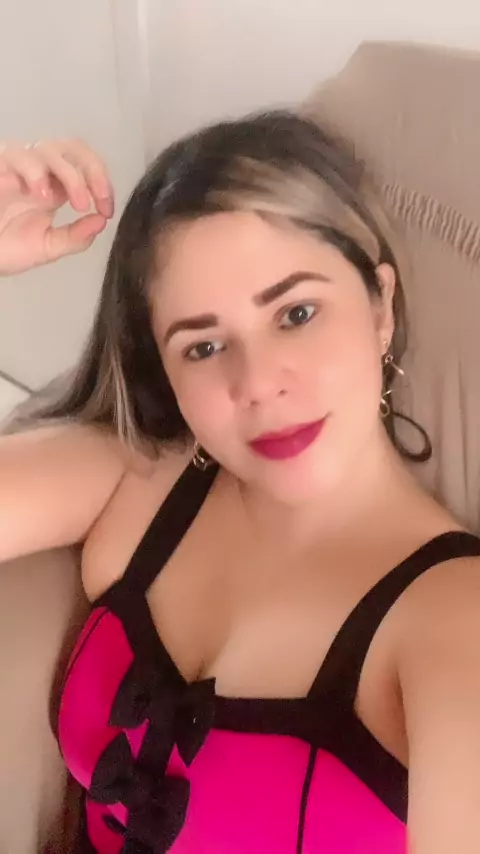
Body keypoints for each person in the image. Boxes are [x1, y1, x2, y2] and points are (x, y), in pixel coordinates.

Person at [1, 115, 480, 854]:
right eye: (204, 346)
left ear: (381, 306)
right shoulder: (139, 478)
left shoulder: (454, 620)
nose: (257, 384)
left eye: (296, 313)